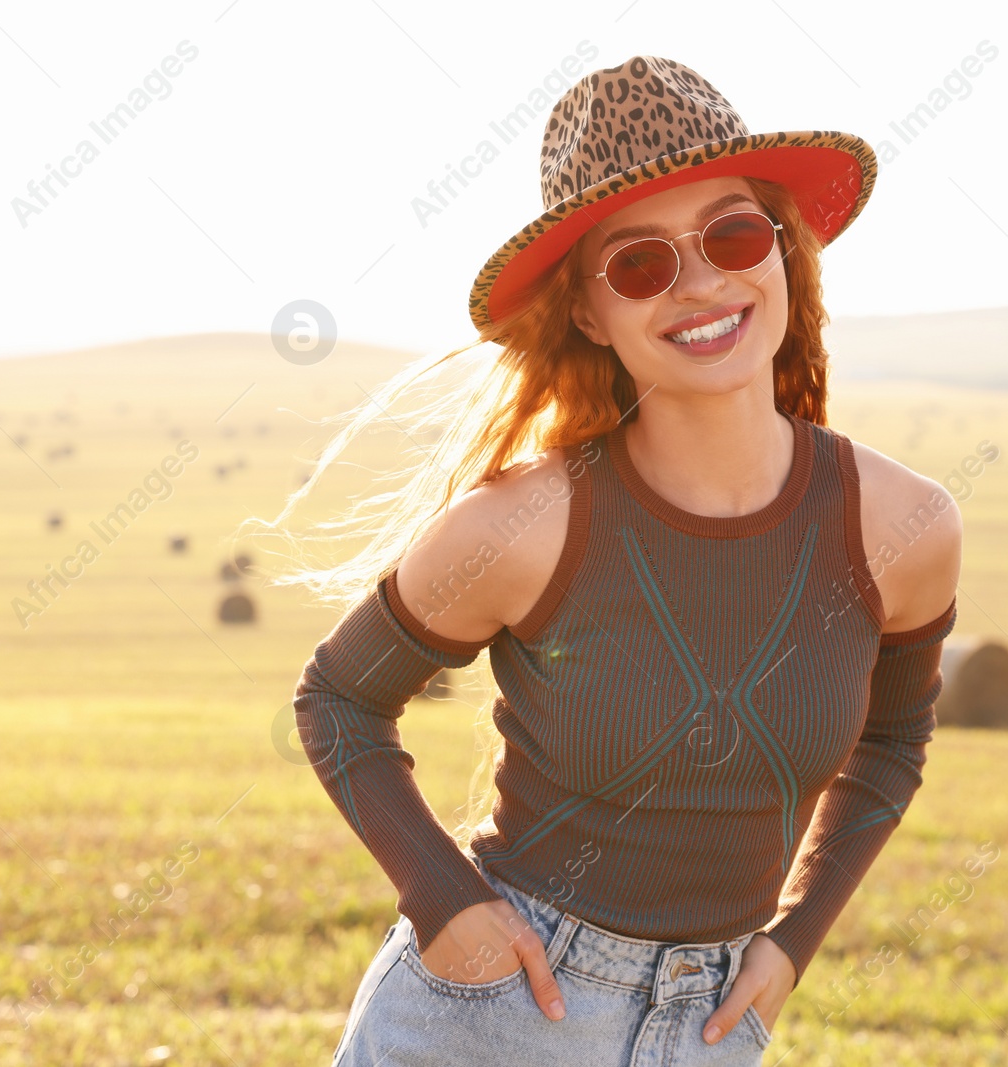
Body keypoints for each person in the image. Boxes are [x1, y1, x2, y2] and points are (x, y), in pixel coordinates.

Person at [286, 54, 962, 1065]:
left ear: (782, 251)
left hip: (715, 1023)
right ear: (589, 312)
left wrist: (794, 939)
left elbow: (894, 739)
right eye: (639, 263)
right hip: (492, 1015)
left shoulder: (902, 525)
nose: (700, 283)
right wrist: (443, 899)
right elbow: (338, 700)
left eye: (732, 233)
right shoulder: (522, 525)